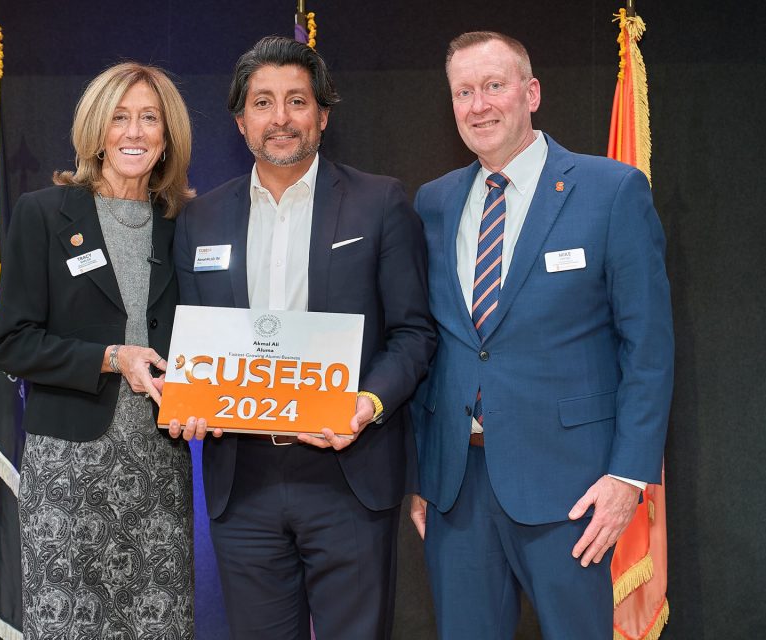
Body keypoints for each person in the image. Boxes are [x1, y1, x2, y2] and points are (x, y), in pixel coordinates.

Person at [409, 31, 674, 639]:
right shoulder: (433, 203)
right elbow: (433, 345)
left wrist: (628, 478)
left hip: (574, 492)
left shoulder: (611, 191)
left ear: (531, 92)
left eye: (494, 86)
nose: (479, 105)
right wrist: (421, 476)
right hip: (456, 490)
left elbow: (649, 350)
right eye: (464, 92)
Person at [172, 36, 435, 640]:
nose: (281, 117)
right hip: (244, 482)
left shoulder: (379, 203)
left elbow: (414, 333)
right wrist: (185, 397)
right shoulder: (199, 219)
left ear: (322, 114)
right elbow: (189, 334)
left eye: (297, 100)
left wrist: (366, 405)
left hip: (348, 470)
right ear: (241, 122)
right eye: (263, 103)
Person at [0, 62, 198, 640]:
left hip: (159, 466)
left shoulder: (183, 221)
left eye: (149, 119)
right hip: (69, 469)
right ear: (96, 130)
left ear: (166, 137)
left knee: (158, 624)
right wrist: (111, 357)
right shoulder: (43, 214)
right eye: (120, 117)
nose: (134, 132)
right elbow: (12, 343)